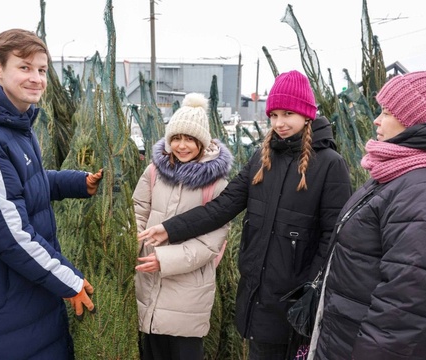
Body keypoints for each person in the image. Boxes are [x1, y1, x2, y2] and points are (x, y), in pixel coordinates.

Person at [138, 70, 352, 359]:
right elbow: (221, 207)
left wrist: (309, 289)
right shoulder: (262, 159)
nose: (279, 123)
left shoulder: (329, 165)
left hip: (296, 300)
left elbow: (334, 237)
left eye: (287, 113)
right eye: (274, 114)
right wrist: (169, 229)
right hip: (258, 296)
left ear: (306, 115)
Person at [0, 28, 101, 359]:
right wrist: (68, 281)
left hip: (25, 299)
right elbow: (11, 233)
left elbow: (25, 184)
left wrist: (75, 182)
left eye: (41, 70)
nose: (37, 78)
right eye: (24, 67)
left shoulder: (12, 126)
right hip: (1, 314)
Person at [309, 71, 426, 360]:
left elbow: (404, 304)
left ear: (416, 118)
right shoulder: (398, 172)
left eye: (388, 112)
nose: (377, 120)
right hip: (348, 337)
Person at [133, 92, 233, 360]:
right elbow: (138, 210)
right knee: (153, 349)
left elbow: (212, 241)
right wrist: (135, 241)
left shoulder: (216, 184)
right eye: (176, 138)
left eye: (190, 139)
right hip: (150, 279)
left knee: (184, 352)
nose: (182, 145)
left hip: (188, 287)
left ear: (202, 141)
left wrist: (164, 259)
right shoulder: (154, 171)